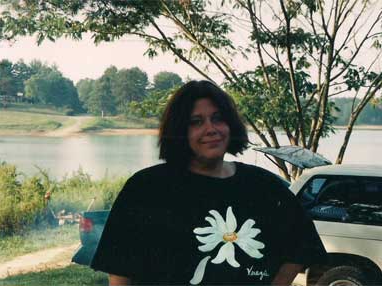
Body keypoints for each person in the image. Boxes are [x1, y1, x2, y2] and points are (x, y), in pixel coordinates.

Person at [90, 80, 327, 285]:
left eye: (218, 119)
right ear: (179, 131)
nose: (210, 129)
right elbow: (119, 269)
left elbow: (302, 245)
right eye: (196, 122)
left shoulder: (263, 186)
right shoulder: (146, 188)